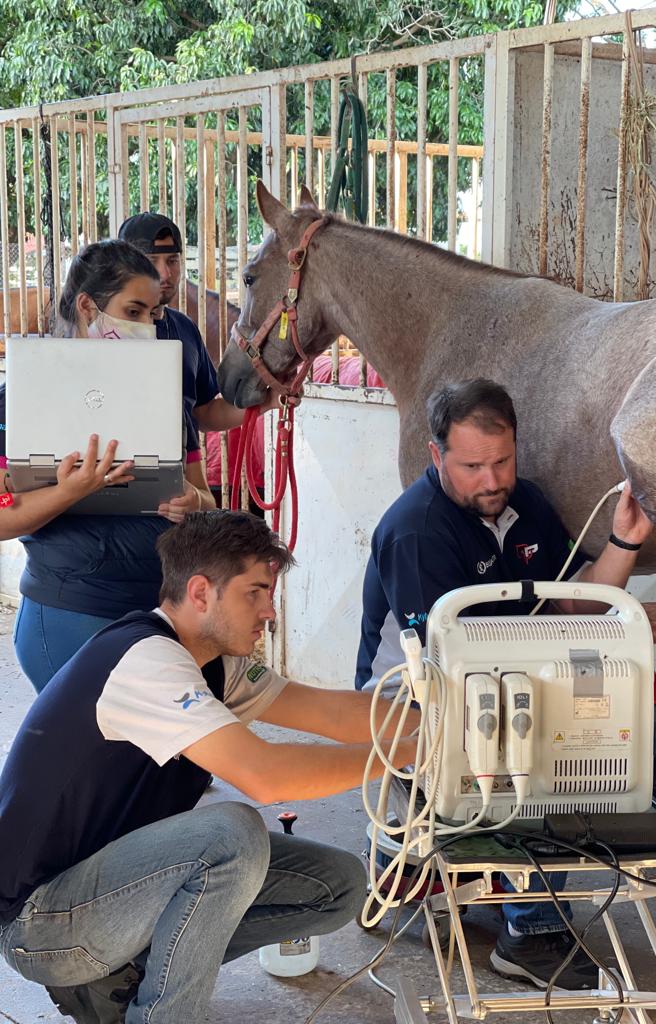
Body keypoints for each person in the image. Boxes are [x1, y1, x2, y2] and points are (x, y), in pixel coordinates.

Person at [357, 378, 656, 989]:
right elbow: (451, 667)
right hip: (422, 696)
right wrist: (568, 707)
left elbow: (579, 608)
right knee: (532, 738)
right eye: (472, 466)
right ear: (435, 453)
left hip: (529, 668)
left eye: (502, 461)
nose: (492, 480)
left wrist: (626, 539)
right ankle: (534, 932)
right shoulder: (417, 530)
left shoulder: (526, 503)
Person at [0, 510, 417, 1023]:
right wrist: (405, 752)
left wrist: (440, 722)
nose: (270, 612)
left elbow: (330, 712)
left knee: (339, 884)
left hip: (114, 888)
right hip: (44, 923)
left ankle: (123, 978)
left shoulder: (217, 663)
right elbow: (266, 777)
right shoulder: (146, 661)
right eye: (255, 593)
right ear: (201, 593)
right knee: (231, 834)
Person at [2, 240, 217, 693]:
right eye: (134, 311)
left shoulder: (163, 397)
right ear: (88, 306)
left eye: (154, 316)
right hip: (71, 613)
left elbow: (207, 501)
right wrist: (70, 491)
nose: (148, 327)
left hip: (160, 613)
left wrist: (191, 501)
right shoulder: (25, 396)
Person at [117, 212, 245, 461]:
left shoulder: (185, 327)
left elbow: (202, 413)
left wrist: (265, 403)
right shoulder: (101, 329)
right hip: (107, 475)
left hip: (177, 475)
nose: (165, 274)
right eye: (151, 260)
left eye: (172, 260)